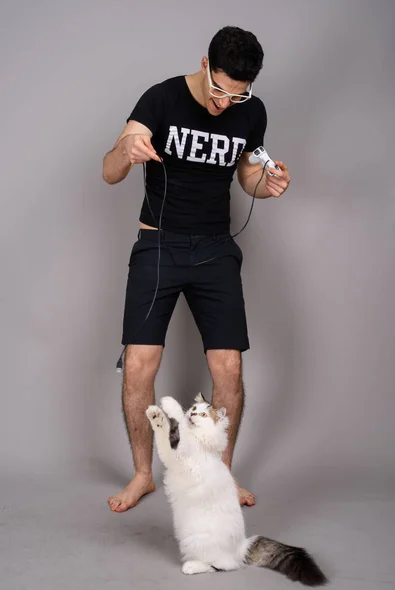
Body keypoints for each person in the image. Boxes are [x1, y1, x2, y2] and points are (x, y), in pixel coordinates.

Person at [102, 25, 290, 512]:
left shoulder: (252, 111)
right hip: (158, 245)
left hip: (215, 249)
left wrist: (263, 186)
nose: (226, 104)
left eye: (239, 95)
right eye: (220, 91)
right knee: (140, 364)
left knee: (228, 367)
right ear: (205, 65)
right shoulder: (161, 98)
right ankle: (143, 473)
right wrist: (127, 150)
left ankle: (221, 475)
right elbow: (109, 170)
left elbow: (247, 174)